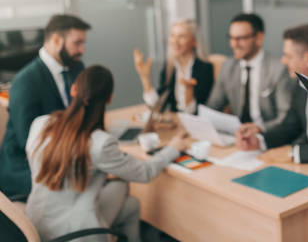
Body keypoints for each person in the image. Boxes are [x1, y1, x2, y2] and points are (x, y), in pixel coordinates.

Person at [25, 65, 189, 242]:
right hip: (71, 233)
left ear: (74, 89)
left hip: (34, 224)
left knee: (131, 206)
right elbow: (145, 172)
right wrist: (172, 148)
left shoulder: (40, 124)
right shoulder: (98, 144)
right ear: (109, 99)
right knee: (121, 184)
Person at [0, 14, 90, 196]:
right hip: (25, 167)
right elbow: (29, 141)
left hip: (64, 153)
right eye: (77, 43)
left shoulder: (77, 68)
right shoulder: (25, 82)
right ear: (57, 40)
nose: (82, 50)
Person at [236, 23, 308, 164]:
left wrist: (294, 153)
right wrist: (259, 140)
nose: (283, 61)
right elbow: (291, 126)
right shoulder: (302, 79)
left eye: (288, 56)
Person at [206, 13, 294, 131]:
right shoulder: (228, 66)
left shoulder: (278, 69)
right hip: (237, 135)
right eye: (231, 38)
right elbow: (213, 107)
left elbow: (285, 118)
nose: (233, 44)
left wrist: (259, 129)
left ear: (258, 38)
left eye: (240, 38)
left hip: (268, 136)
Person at [133, 19, 214, 115]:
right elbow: (157, 103)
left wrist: (189, 92)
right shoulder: (170, 67)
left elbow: (197, 111)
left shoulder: (205, 68)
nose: (175, 41)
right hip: (175, 122)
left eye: (181, 36)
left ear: (194, 41)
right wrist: (145, 78)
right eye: (172, 35)